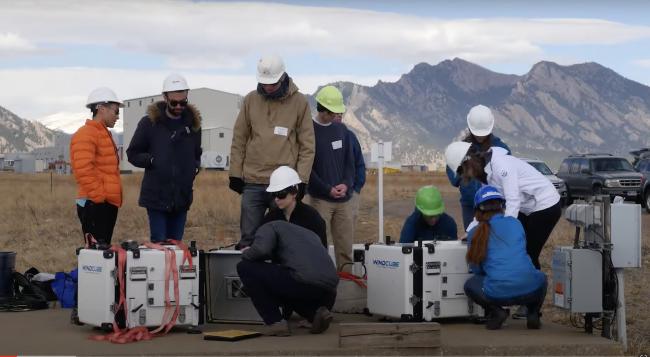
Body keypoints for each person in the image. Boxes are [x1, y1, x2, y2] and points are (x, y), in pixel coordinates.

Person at [229, 55, 315, 242]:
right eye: (264, 83)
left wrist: (301, 180)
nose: (268, 87)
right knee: (249, 238)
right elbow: (239, 138)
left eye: (273, 83)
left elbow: (307, 145)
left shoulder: (299, 102)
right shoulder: (251, 100)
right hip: (253, 180)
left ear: (283, 77)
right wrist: (235, 173)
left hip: (284, 183)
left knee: (283, 238)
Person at [126, 73, 202, 242]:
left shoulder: (193, 126)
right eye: (174, 102)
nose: (179, 106)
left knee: (176, 246)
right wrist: (152, 160)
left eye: (183, 102)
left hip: (182, 198)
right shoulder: (149, 123)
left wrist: (194, 167)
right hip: (156, 198)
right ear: (165, 97)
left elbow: (197, 153)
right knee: (159, 247)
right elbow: (132, 153)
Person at [464, 185, 547, 330]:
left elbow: (476, 270)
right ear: (502, 206)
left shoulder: (474, 233)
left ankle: (497, 312)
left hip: (498, 294)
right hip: (530, 290)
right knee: (542, 277)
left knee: (470, 285)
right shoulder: (516, 223)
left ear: (477, 210)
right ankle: (533, 313)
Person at [237, 221, 338, 336]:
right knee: (284, 282)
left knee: (245, 267)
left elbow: (261, 250)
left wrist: (246, 252)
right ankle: (315, 315)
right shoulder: (308, 234)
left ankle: (275, 323)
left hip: (304, 281)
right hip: (329, 291)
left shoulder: (270, 226)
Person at [307, 85, 355, 271]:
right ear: (322, 109)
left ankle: (347, 282)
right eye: (332, 112)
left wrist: (346, 184)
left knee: (345, 247)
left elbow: (349, 163)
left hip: (344, 201)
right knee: (318, 245)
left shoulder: (341, 130)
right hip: (320, 201)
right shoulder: (308, 131)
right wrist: (326, 189)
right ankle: (321, 281)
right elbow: (307, 169)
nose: (335, 116)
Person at [70, 87, 123, 245]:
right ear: (101, 108)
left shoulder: (103, 133)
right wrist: (99, 197)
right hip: (95, 204)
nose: (118, 116)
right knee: (96, 256)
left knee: (102, 253)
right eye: (115, 111)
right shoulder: (86, 134)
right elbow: (83, 169)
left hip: (104, 204)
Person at [446, 105, 510, 230]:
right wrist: (462, 169)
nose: (480, 137)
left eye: (483, 134)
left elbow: (508, 178)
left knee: (494, 238)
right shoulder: (461, 148)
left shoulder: (501, 148)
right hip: (470, 206)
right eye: (477, 133)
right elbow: (453, 177)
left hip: (494, 206)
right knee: (473, 239)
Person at [260, 166, 327, 247]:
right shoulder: (271, 218)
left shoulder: (311, 218)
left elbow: (321, 249)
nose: (276, 199)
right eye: (274, 194)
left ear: (294, 193)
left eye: (281, 194)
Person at [332, 111, 366, 240]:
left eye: (341, 113)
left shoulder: (350, 137)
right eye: (336, 112)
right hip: (324, 196)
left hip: (349, 196)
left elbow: (360, 164)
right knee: (326, 237)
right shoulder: (317, 135)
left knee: (346, 238)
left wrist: (356, 189)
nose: (339, 115)